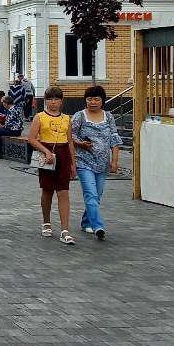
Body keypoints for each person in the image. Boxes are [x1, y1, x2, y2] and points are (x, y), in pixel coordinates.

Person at [28, 86, 77, 245]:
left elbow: (70, 140)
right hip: (47, 154)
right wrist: (46, 152)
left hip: (63, 155)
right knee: (47, 190)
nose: (53, 102)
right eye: (50, 99)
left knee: (63, 191)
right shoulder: (40, 117)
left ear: (62, 101)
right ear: (46, 100)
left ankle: (65, 229)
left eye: (56, 99)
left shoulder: (67, 119)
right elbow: (32, 138)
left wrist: (73, 163)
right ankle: (46, 221)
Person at [72, 86, 121, 240]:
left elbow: (114, 138)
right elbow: (70, 136)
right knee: (90, 193)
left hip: (102, 163)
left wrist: (114, 160)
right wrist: (80, 144)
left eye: (96, 99)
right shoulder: (79, 116)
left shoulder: (109, 116)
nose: (93, 102)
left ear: (102, 101)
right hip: (83, 162)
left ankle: (86, 222)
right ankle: (98, 226)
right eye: (90, 99)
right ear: (85, 100)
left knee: (97, 195)